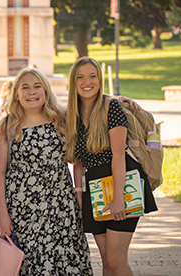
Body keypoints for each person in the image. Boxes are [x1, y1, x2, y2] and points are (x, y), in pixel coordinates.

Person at [0, 67, 93, 275]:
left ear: (46, 91)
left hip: (61, 208)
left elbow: (94, 108)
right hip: (23, 212)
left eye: (37, 87)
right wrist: (2, 214)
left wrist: (123, 102)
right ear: (16, 94)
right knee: (32, 267)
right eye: (25, 88)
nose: (31, 92)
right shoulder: (7, 126)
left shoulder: (62, 119)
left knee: (67, 265)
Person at [65, 57, 157, 276]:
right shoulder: (72, 114)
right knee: (106, 262)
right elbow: (78, 162)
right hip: (94, 189)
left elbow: (118, 156)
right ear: (73, 82)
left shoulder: (111, 107)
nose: (87, 82)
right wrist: (79, 195)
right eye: (81, 77)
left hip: (121, 182)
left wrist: (118, 198)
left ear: (100, 79)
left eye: (92, 76)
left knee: (116, 261)